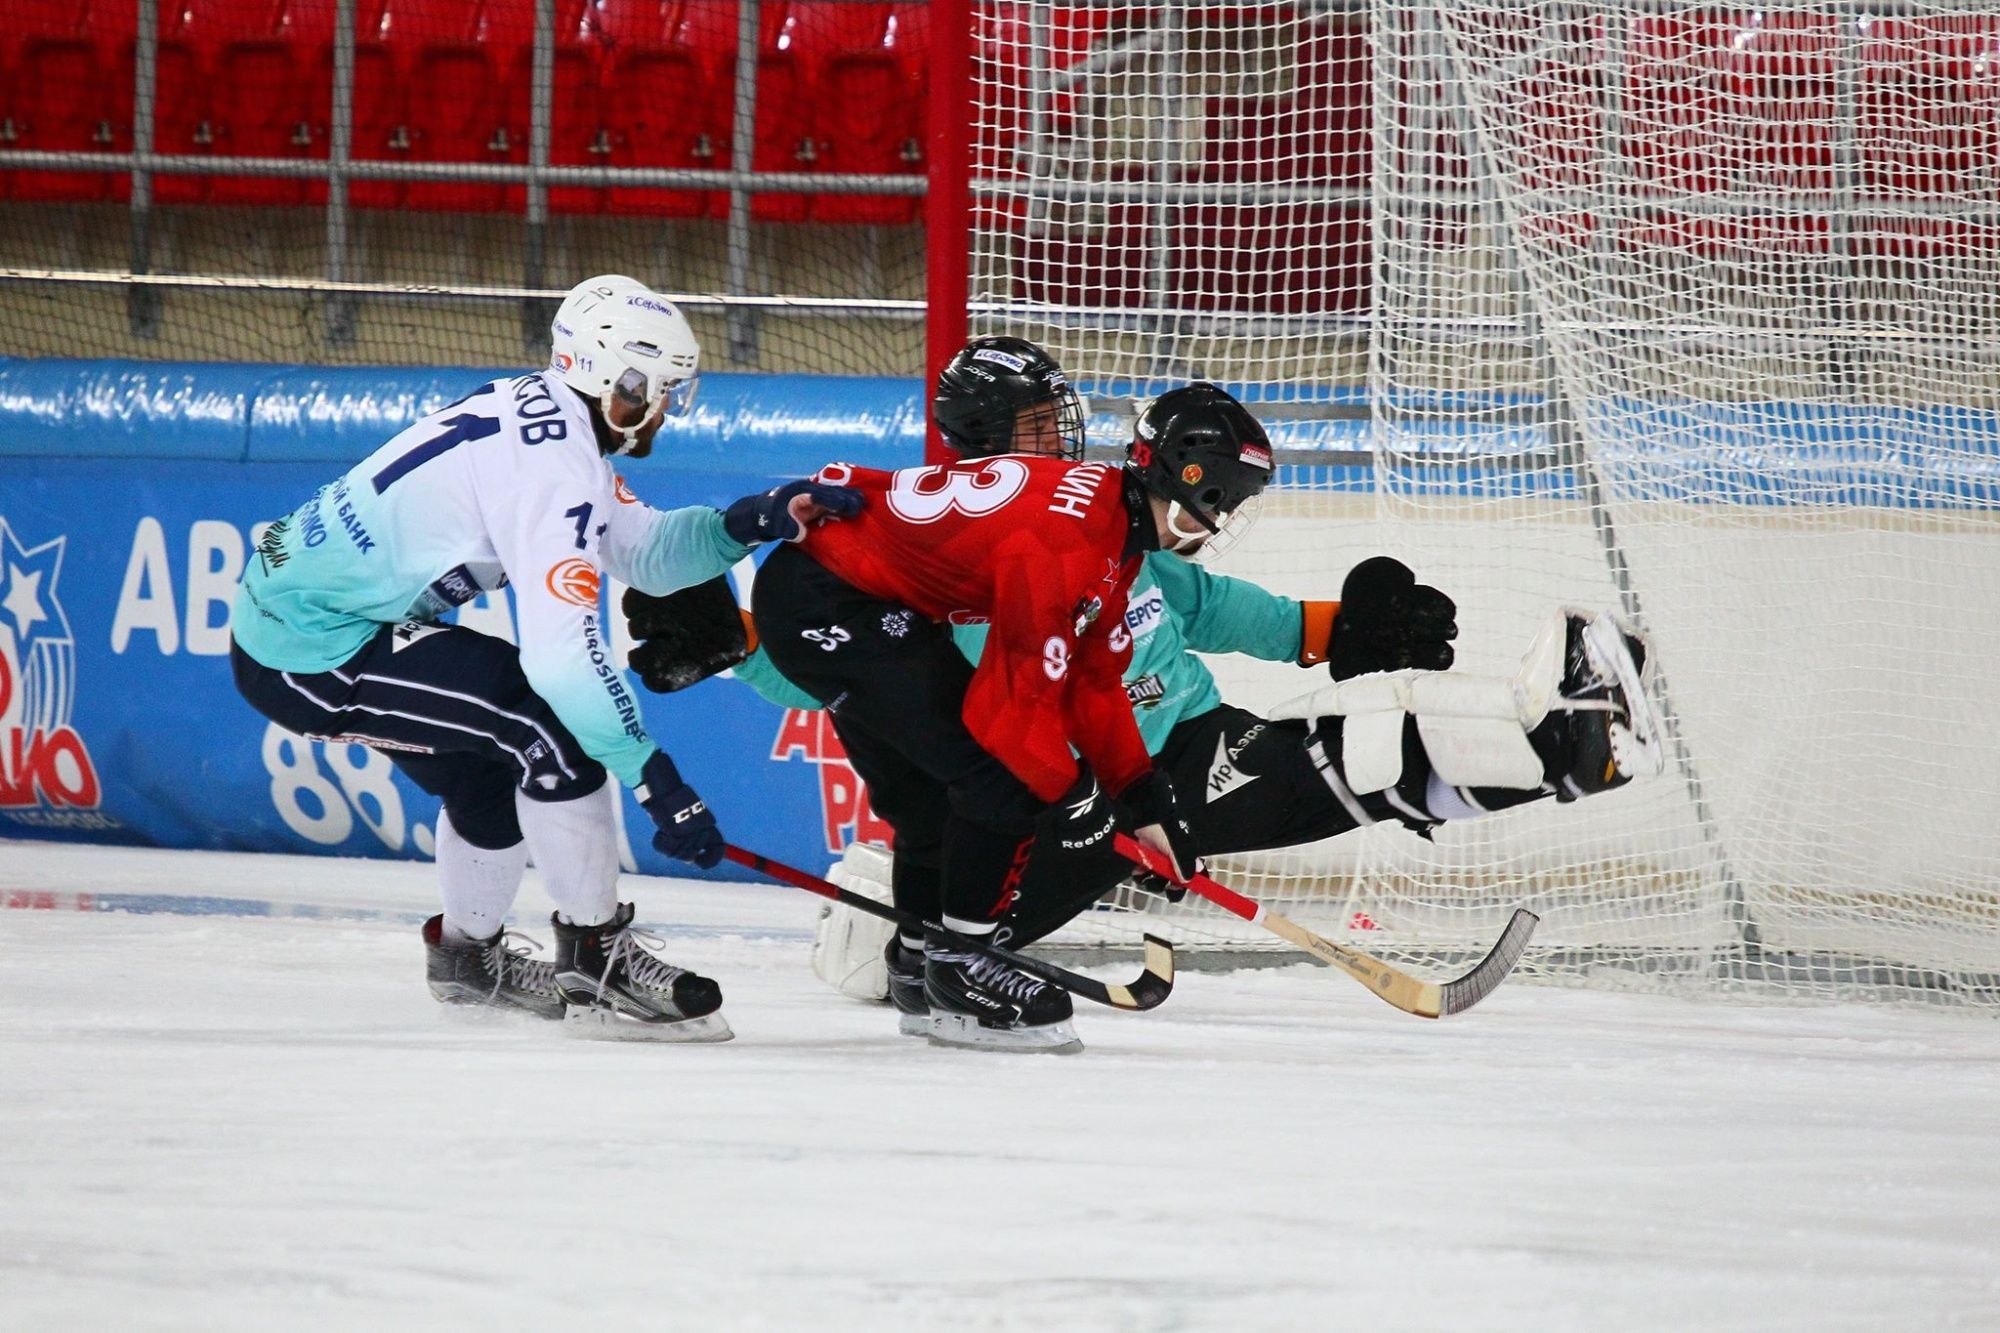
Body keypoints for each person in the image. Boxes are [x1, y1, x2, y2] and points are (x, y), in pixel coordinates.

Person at [625, 337, 1666, 1018]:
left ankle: (1562, 743)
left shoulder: (1111, 530)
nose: (1061, 443)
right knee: (875, 964)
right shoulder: (995, 560)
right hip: (1066, 803)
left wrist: (1340, 631)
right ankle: (914, 931)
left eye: (1057, 425)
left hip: (1173, 755)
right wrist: (745, 653)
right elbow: (868, 696)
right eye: (1036, 431)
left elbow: (1216, 612)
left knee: (1335, 757)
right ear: (986, 444)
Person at [229, 274, 861, 1041]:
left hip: (306, 622)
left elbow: (646, 551)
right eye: (656, 391)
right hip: (315, 647)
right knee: (548, 731)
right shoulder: (555, 468)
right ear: (615, 378)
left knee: (494, 770)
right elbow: (564, 664)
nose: (662, 411)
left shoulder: (549, 420)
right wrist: (653, 775)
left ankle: (466, 959)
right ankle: (597, 956)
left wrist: (746, 521)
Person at [734, 377, 1279, 1053]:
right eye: (1232, 501)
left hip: (855, 596)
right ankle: (963, 965)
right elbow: (1011, 719)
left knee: (944, 795)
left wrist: (1143, 800)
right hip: (830, 603)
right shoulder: (1070, 544)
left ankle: (921, 958)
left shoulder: (1109, 526)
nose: (1226, 519)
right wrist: (1081, 803)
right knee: (999, 777)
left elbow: (1093, 681)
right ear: (1201, 484)